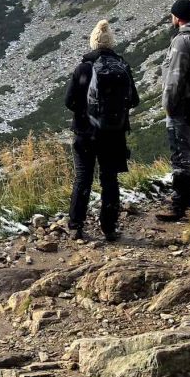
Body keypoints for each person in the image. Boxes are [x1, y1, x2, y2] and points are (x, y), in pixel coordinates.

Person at [64, 19, 140, 242]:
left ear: (93, 43)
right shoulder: (122, 66)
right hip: (114, 135)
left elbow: (69, 101)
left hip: (86, 134)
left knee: (83, 178)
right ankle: (109, 227)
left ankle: (76, 226)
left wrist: (86, 112)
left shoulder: (84, 67)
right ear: (111, 43)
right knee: (109, 179)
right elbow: (134, 100)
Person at [156, 0, 190, 222]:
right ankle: (189, 198)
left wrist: (167, 105)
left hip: (182, 105)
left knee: (179, 152)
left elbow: (174, 78)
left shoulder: (181, 42)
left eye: (172, 15)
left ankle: (178, 204)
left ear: (177, 17)